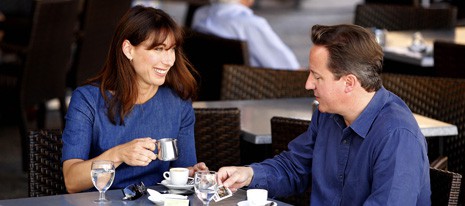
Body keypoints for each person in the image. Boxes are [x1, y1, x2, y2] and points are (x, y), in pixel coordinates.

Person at [217, 24, 431, 205]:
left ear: (349, 83)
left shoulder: (398, 136)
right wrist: (249, 175)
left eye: (317, 77)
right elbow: (295, 167)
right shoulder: (327, 113)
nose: (308, 84)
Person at [62, 6, 208, 193]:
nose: (169, 60)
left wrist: (192, 174)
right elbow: (72, 182)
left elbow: (183, 169)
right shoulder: (87, 100)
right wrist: (119, 154)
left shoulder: (178, 101)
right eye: (158, 49)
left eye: (172, 50)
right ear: (128, 49)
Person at [191, 0, 301, 70]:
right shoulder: (250, 25)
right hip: (256, 95)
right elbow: (290, 69)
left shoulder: (200, 15)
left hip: (209, 89)